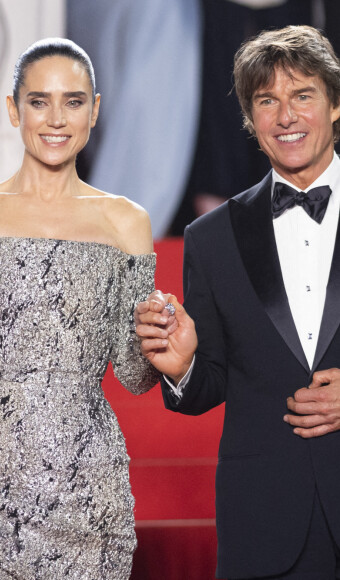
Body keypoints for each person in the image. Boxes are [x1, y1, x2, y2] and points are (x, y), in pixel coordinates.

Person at [0, 38, 161, 578]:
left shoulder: (127, 223)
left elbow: (134, 374)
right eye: (38, 101)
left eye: (73, 102)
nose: (56, 119)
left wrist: (160, 338)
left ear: (95, 110)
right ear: (12, 109)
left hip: (89, 490)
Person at [136, 24, 340, 580]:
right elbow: (211, 384)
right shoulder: (211, 237)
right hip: (265, 525)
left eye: (303, 96)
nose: (287, 116)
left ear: (336, 104)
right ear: (251, 120)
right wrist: (182, 369)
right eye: (267, 101)